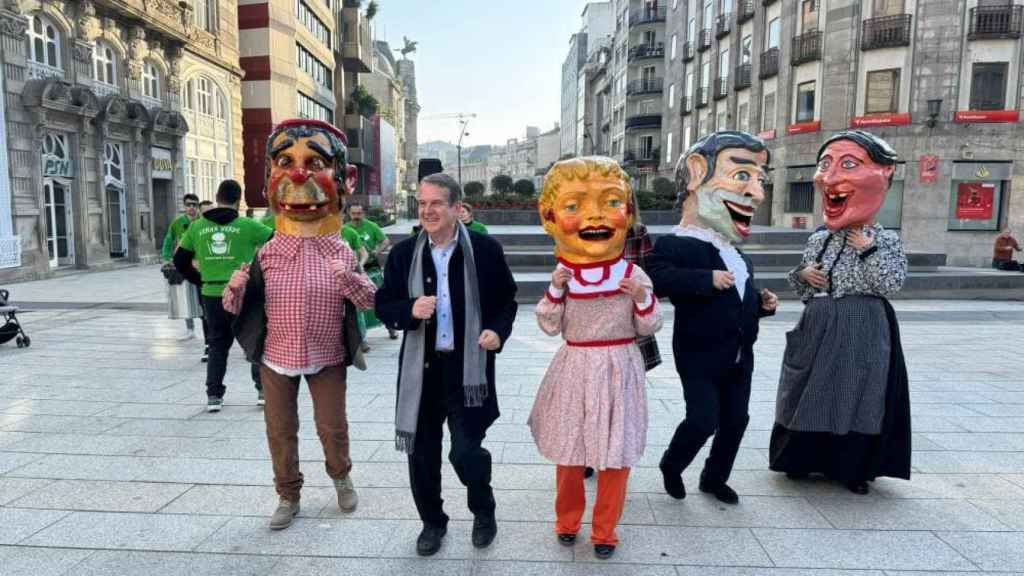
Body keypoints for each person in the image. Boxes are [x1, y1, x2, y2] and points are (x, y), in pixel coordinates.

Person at [225, 118, 376, 530]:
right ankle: (287, 495)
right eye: (285, 161)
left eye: (314, 162)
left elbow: (368, 301)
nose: (297, 174)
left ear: (343, 178)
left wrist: (347, 277)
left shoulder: (342, 250)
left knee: (332, 426)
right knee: (280, 430)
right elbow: (239, 306)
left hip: (327, 354)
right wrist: (235, 288)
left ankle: (341, 477)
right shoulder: (268, 251)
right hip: (277, 356)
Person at [375, 173, 518, 557]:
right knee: (421, 455)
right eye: (422, 203)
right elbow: (383, 305)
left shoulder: (485, 250)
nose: (427, 210)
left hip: (467, 368)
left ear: (457, 207)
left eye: (436, 203)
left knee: (466, 451)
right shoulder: (405, 254)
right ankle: (432, 523)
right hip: (420, 373)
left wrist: (496, 332)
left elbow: (507, 300)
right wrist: (409, 310)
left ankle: (483, 510)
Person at [528, 157, 662, 560]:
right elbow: (549, 325)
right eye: (574, 207)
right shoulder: (565, 274)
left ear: (628, 212)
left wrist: (640, 299)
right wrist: (554, 289)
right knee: (571, 451)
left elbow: (649, 326)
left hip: (619, 366)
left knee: (615, 454)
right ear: (550, 217)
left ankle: (605, 530)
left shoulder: (633, 274)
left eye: (610, 203)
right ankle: (566, 521)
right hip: (575, 366)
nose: (595, 217)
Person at [769, 130, 911, 495]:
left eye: (848, 164)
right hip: (817, 320)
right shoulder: (819, 238)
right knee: (806, 390)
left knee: (856, 393)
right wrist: (802, 275)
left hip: (861, 323)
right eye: (825, 165)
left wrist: (867, 249)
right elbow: (801, 286)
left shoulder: (887, 239)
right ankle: (800, 459)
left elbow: (891, 284)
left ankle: (852, 467)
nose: (831, 177)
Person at [647, 131, 777, 505]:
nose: (757, 193)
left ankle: (714, 478)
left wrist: (761, 305)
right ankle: (672, 465)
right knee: (703, 419)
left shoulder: (736, 252)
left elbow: (739, 300)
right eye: (742, 176)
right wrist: (706, 279)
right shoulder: (676, 243)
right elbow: (656, 278)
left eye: (761, 180)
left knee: (736, 421)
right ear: (695, 173)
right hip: (699, 352)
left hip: (739, 354)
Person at [174, 180, 273, 412]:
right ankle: (261, 390)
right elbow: (279, 244)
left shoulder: (197, 227)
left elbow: (180, 261)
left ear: (217, 197)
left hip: (212, 292)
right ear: (238, 200)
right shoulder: (249, 226)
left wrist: (201, 279)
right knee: (255, 338)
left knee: (217, 343)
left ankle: (214, 395)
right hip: (244, 291)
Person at [346, 203, 397, 340]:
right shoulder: (346, 229)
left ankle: (390, 327)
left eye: (359, 213)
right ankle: (360, 337)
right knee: (356, 304)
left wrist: (377, 251)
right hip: (354, 271)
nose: (356, 217)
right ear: (349, 214)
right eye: (353, 214)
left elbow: (386, 241)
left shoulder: (371, 226)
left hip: (371, 268)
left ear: (363, 214)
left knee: (379, 299)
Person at [161, 193, 202, 340]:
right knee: (185, 296)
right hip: (184, 265)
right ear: (184, 207)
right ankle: (190, 329)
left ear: (198, 206)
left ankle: (207, 326)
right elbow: (168, 239)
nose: (191, 207)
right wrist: (166, 258)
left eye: (194, 205)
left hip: (201, 265)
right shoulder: (177, 223)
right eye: (188, 204)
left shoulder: (203, 222)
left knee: (202, 296)